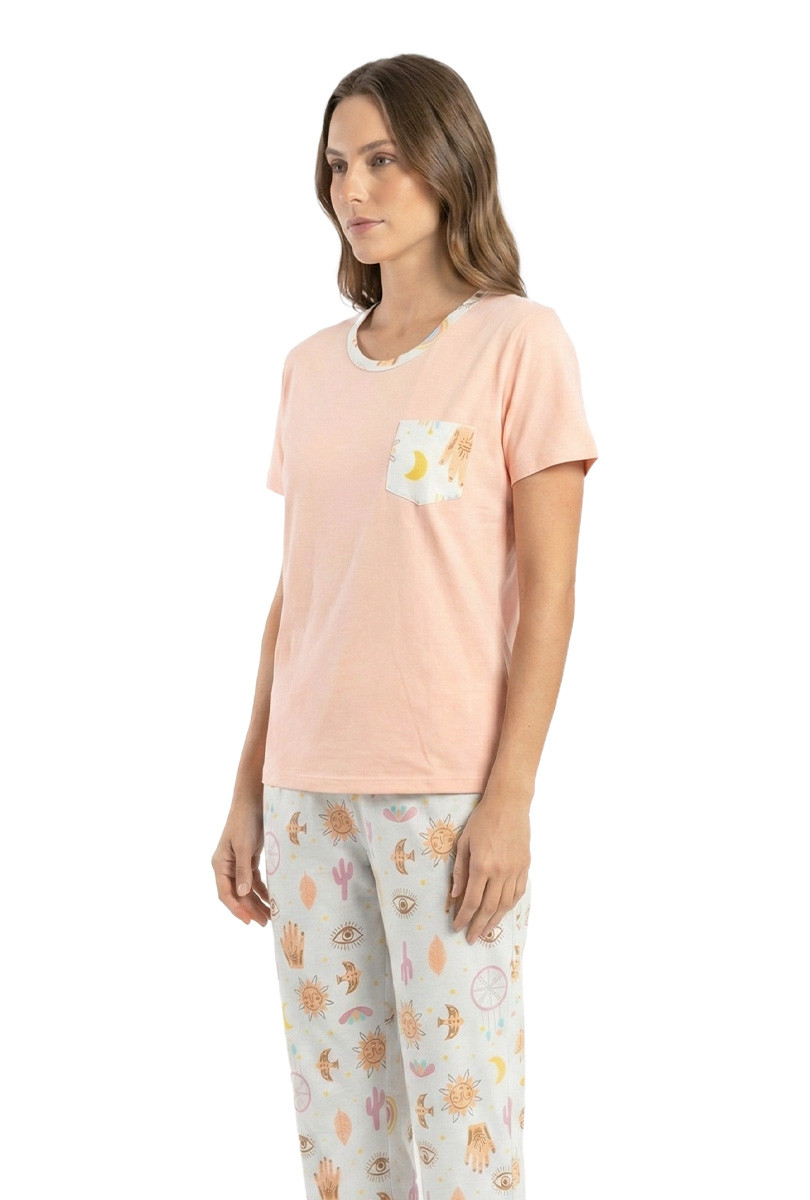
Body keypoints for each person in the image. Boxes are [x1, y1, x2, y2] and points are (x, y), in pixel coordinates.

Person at [212, 53, 599, 1200]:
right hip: (306, 795)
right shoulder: (308, 369)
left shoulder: (521, 342)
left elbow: (552, 593)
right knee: (342, 1146)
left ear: (449, 162)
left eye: (383, 158)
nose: (355, 188)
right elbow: (298, 592)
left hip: (445, 800)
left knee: (466, 1128)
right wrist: (247, 787)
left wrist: (510, 797)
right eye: (339, 165)